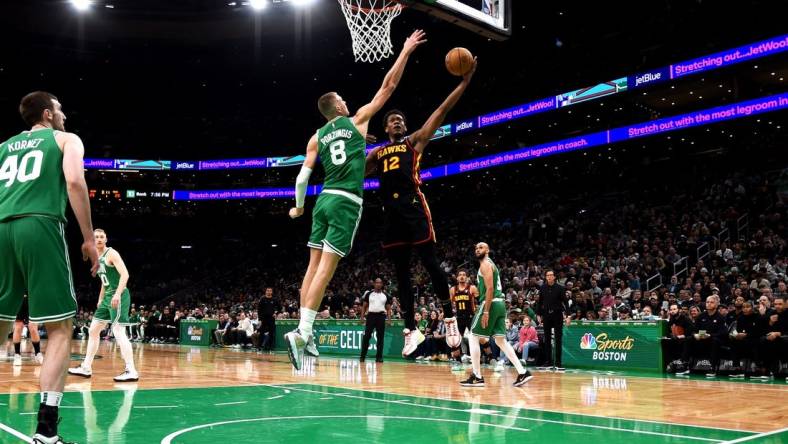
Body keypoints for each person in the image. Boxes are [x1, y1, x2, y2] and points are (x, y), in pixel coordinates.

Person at [284, 30, 426, 370]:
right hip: (347, 201)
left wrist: (299, 206)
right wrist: (405, 51)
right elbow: (388, 87)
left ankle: (308, 332)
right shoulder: (357, 119)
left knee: (311, 268)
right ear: (338, 106)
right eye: (343, 100)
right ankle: (302, 332)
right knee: (327, 272)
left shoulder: (315, 137)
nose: (348, 102)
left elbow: (302, 178)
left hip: (321, 201)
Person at [0, 91, 99, 444]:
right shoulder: (65, 139)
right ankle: (46, 431)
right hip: (40, 225)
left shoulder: (3, 147)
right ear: (47, 113)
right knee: (60, 328)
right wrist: (88, 238)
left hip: (1, 227)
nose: (65, 117)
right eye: (60, 110)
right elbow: (74, 181)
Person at [366, 57, 478, 357]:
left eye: (401, 119)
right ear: (385, 127)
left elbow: (440, 111)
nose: (398, 121)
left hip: (413, 206)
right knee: (401, 274)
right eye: (392, 120)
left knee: (430, 263)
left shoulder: (413, 142)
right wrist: (355, 143)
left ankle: (450, 318)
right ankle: (410, 330)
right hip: (390, 214)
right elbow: (352, 172)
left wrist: (464, 83)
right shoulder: (376, 153)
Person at [68, 229, 138, 382]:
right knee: (93, 330)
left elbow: (125, 275)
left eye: (101, 237)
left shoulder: (112, 254)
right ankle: (86, 367)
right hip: (107, 298)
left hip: (118, 296)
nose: (99, 239)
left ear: (106, 239)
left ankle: (131, 370)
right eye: (96, 237)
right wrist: (100, 298)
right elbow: (104, 281)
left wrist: (117, 294)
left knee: (119, 331)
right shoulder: (96, 257)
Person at [460, 243, 532, 387]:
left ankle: (477, 376)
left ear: (487, 250)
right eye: (476, 248)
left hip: (491, 303)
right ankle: (522, 371)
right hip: (500, 304)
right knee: (501, 341)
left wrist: (486, 310)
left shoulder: (485, 264)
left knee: (473, 336)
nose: (477, 250)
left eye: (480, 248)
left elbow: (490, 288)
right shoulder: (490, 264)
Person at [537, 269, 569, 371]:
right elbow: (540, 302)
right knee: (547, 338)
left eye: (551, 275)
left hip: (557, 315)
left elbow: (566, 302)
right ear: (546, 277)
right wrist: (538, 314)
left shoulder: (560, 288)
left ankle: (559, 363)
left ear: (554, 277)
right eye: (547, 275)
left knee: (558, 339)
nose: (549, 277)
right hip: (546, 315)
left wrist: (568, 316)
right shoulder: (542, 288)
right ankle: (548, 362)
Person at [449, 270, 478, 362]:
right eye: (460, 275)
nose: (462, 276)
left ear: (467, 277)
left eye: (464, 275)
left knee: (477, 338)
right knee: (456, 339)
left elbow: (479, 301)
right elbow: (449, 304)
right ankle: (457, 360)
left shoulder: (472, 288)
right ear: (457, 278)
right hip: (459, 317)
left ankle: (488, 358)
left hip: (471, 317)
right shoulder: (453, 289)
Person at [360, 278, 392, 363]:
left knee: (380, 338)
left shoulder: (386, 295)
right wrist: (362, 317)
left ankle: (379, 357)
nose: (378, 284)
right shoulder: (369, 294)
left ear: (382, 284)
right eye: (376, 282)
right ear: (374, 284)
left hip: (381, 316)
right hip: (370, 316)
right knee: (366, 337)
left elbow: (388, 309)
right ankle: (362, 356)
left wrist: (389, 320)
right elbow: (364, 307)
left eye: (380, 283)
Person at [11, 294, 44, 366]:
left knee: (33, 328)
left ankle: (38, 353)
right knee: (18, 327)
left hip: (33, 299)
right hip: (18, 299)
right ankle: (17, 355)